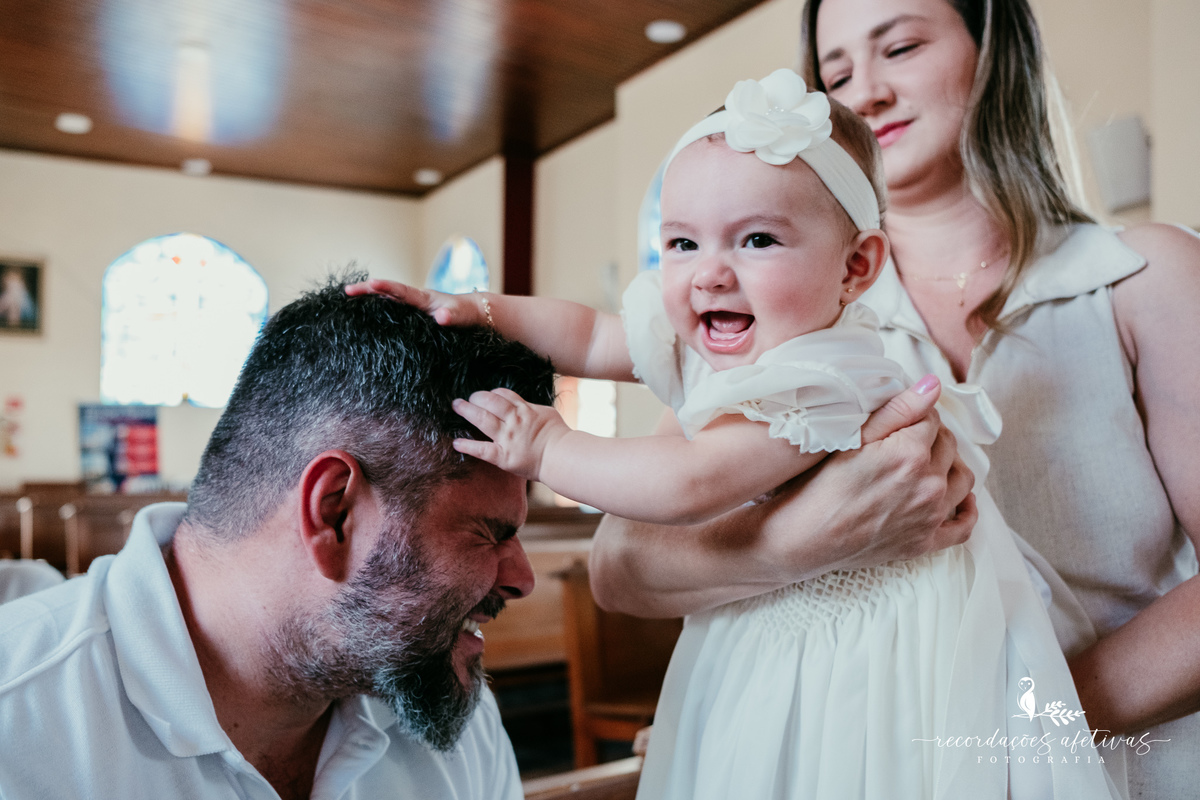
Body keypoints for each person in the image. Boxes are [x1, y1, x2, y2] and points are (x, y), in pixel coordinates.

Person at [350, 70, 1120, 798]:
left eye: (756, 241)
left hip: (860, 654)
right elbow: (586, 334)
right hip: (764, 620)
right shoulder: (712, 346)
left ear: (856, 267)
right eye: (683, 243)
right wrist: (479, 309)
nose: (710, 272)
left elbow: (690, 485)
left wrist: (552, 450)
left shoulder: (824, 377)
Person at [596, 0, 1200, 796]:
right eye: (836, 73)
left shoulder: (1140, 277)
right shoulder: (776, 313)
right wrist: (802, 541)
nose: (864, 94)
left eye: (902, 47)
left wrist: (1019, 730)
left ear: (994, 50)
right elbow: (621, 563)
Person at [0, 275, 556, 800]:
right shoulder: (21, 723)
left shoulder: (449, 715)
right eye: (490, 534)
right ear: (334, 513)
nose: (521, 579)